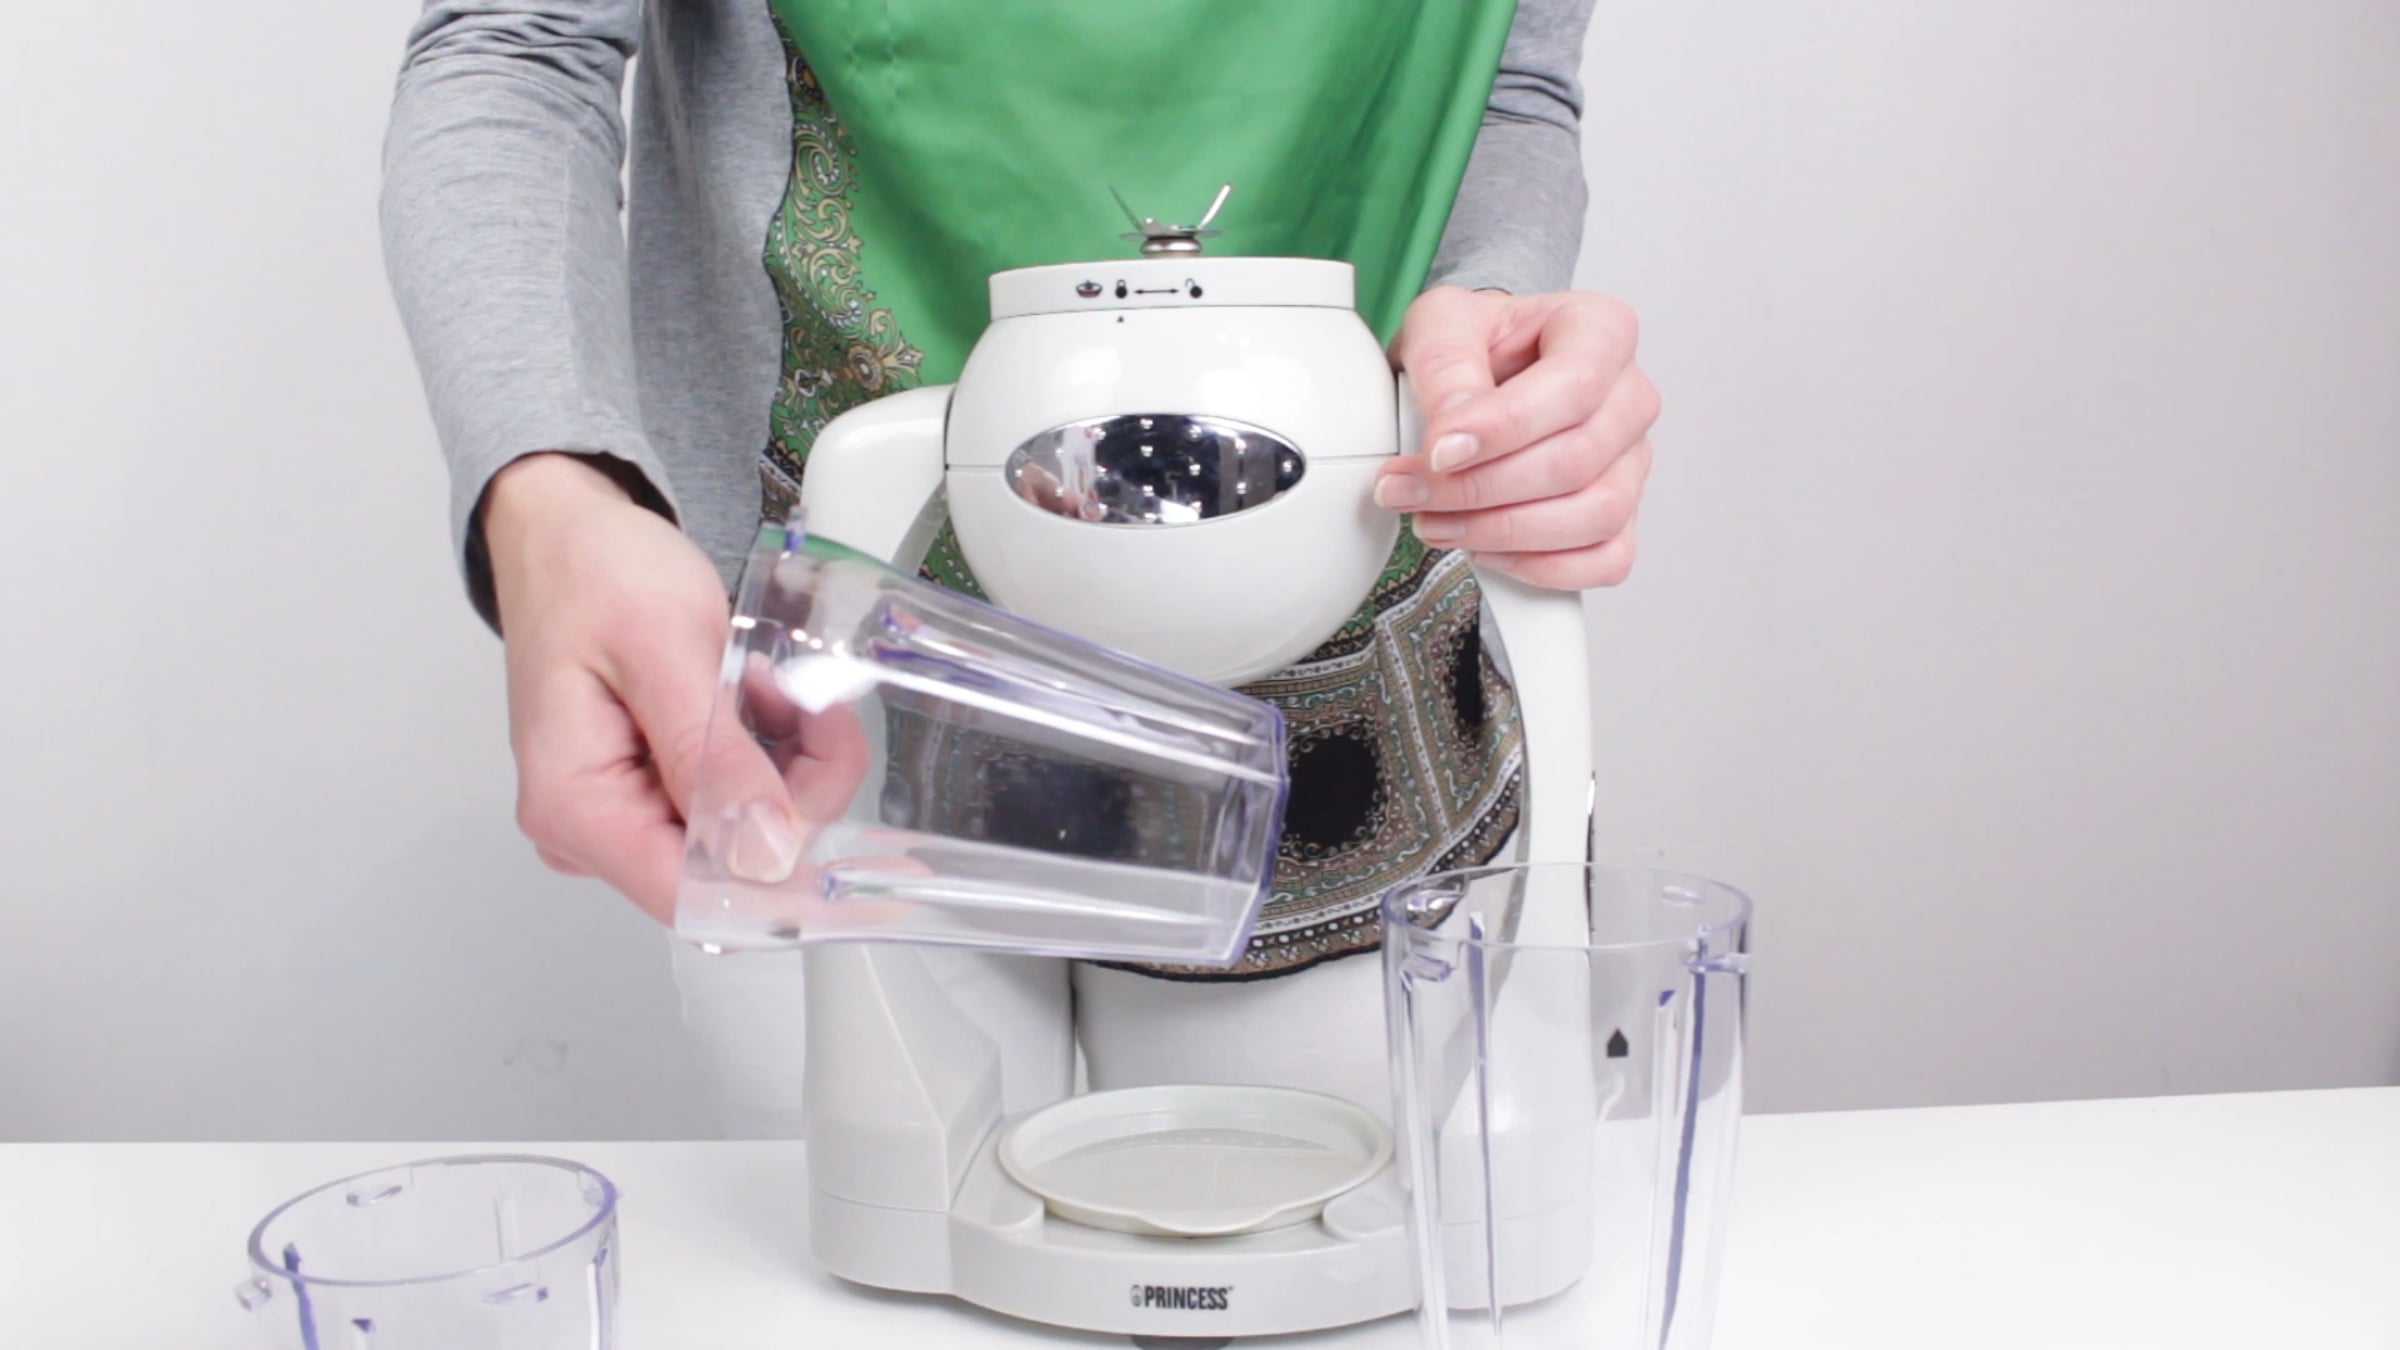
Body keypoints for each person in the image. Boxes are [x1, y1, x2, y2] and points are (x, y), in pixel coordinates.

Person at [383, 0, 1657, 1128]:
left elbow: (1504, 80)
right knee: (878, 1268)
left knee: (1348, 1265)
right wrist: (552, 494)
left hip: (1348, 710)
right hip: (841, 682)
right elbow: (520, 39)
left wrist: (1489, 325)